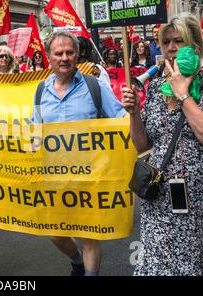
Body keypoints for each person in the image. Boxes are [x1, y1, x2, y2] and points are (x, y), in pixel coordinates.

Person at [122, 13, 203, 276]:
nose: (172, 48)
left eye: (179, 41)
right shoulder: (154, 89)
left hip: (200, 204)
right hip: (159, 201)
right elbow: (142, 146)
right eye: (166, 42)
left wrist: (182, 93)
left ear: (195, 46)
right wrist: (135, 113)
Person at [32, 31, 126, 276]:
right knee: (55, 233)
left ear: (77, 55)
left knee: (88, 236)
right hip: (54, 177)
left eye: (69, 52)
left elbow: (121, 121)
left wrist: (133, 112)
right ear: (49, 57)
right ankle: (77, 262)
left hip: (89, 176)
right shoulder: (41, 91)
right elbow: (36, 131)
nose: (64, 58)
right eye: (59, 53)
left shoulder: (95, 86)